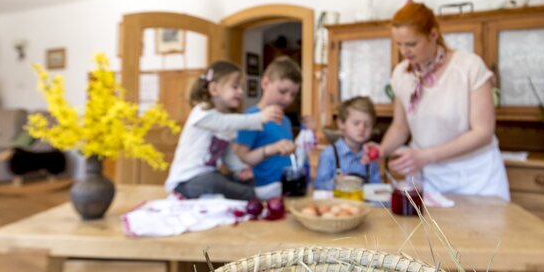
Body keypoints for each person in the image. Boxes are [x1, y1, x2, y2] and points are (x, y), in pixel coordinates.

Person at [366, 1, 510, 200]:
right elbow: (400, 128)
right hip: (431, 175)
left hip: (477, 176)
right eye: (398, 44)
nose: (404, 51)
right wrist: (382, 150)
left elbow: (483, 132)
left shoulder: (469, 67)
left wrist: (425, 156)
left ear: (433, 35)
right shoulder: (401, 74)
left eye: (411, 44)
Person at [164, 60, 283, 200]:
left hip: (211, 175)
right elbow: (223, 123)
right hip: (186, 181)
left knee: (232, 179)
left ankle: (250, 193)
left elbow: (228, 154)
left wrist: (240, 170)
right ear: (214, 89)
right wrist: (259, 118)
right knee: (214, 181)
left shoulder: (225, 120)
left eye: (241, 87)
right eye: (235, 87)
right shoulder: (202, 113)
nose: (241, 92)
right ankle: (255, 195)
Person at [233, 56, 299, 199]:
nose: (288, 99)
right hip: (261, 191)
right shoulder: (251, 117)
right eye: (282, 91)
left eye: (293, 94)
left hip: (285, 188)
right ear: (265, 83)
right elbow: (242, 158)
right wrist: (272, 149)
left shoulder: (286, 121)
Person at [314, 96, 382, 190]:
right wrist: (335, 182)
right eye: (356, 123)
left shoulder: (371, 157)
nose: (361, 128)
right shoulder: (329, 154)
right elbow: (319, 185)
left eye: (367, 125)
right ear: (342, 124)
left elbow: (376, 188)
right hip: (337, 204)